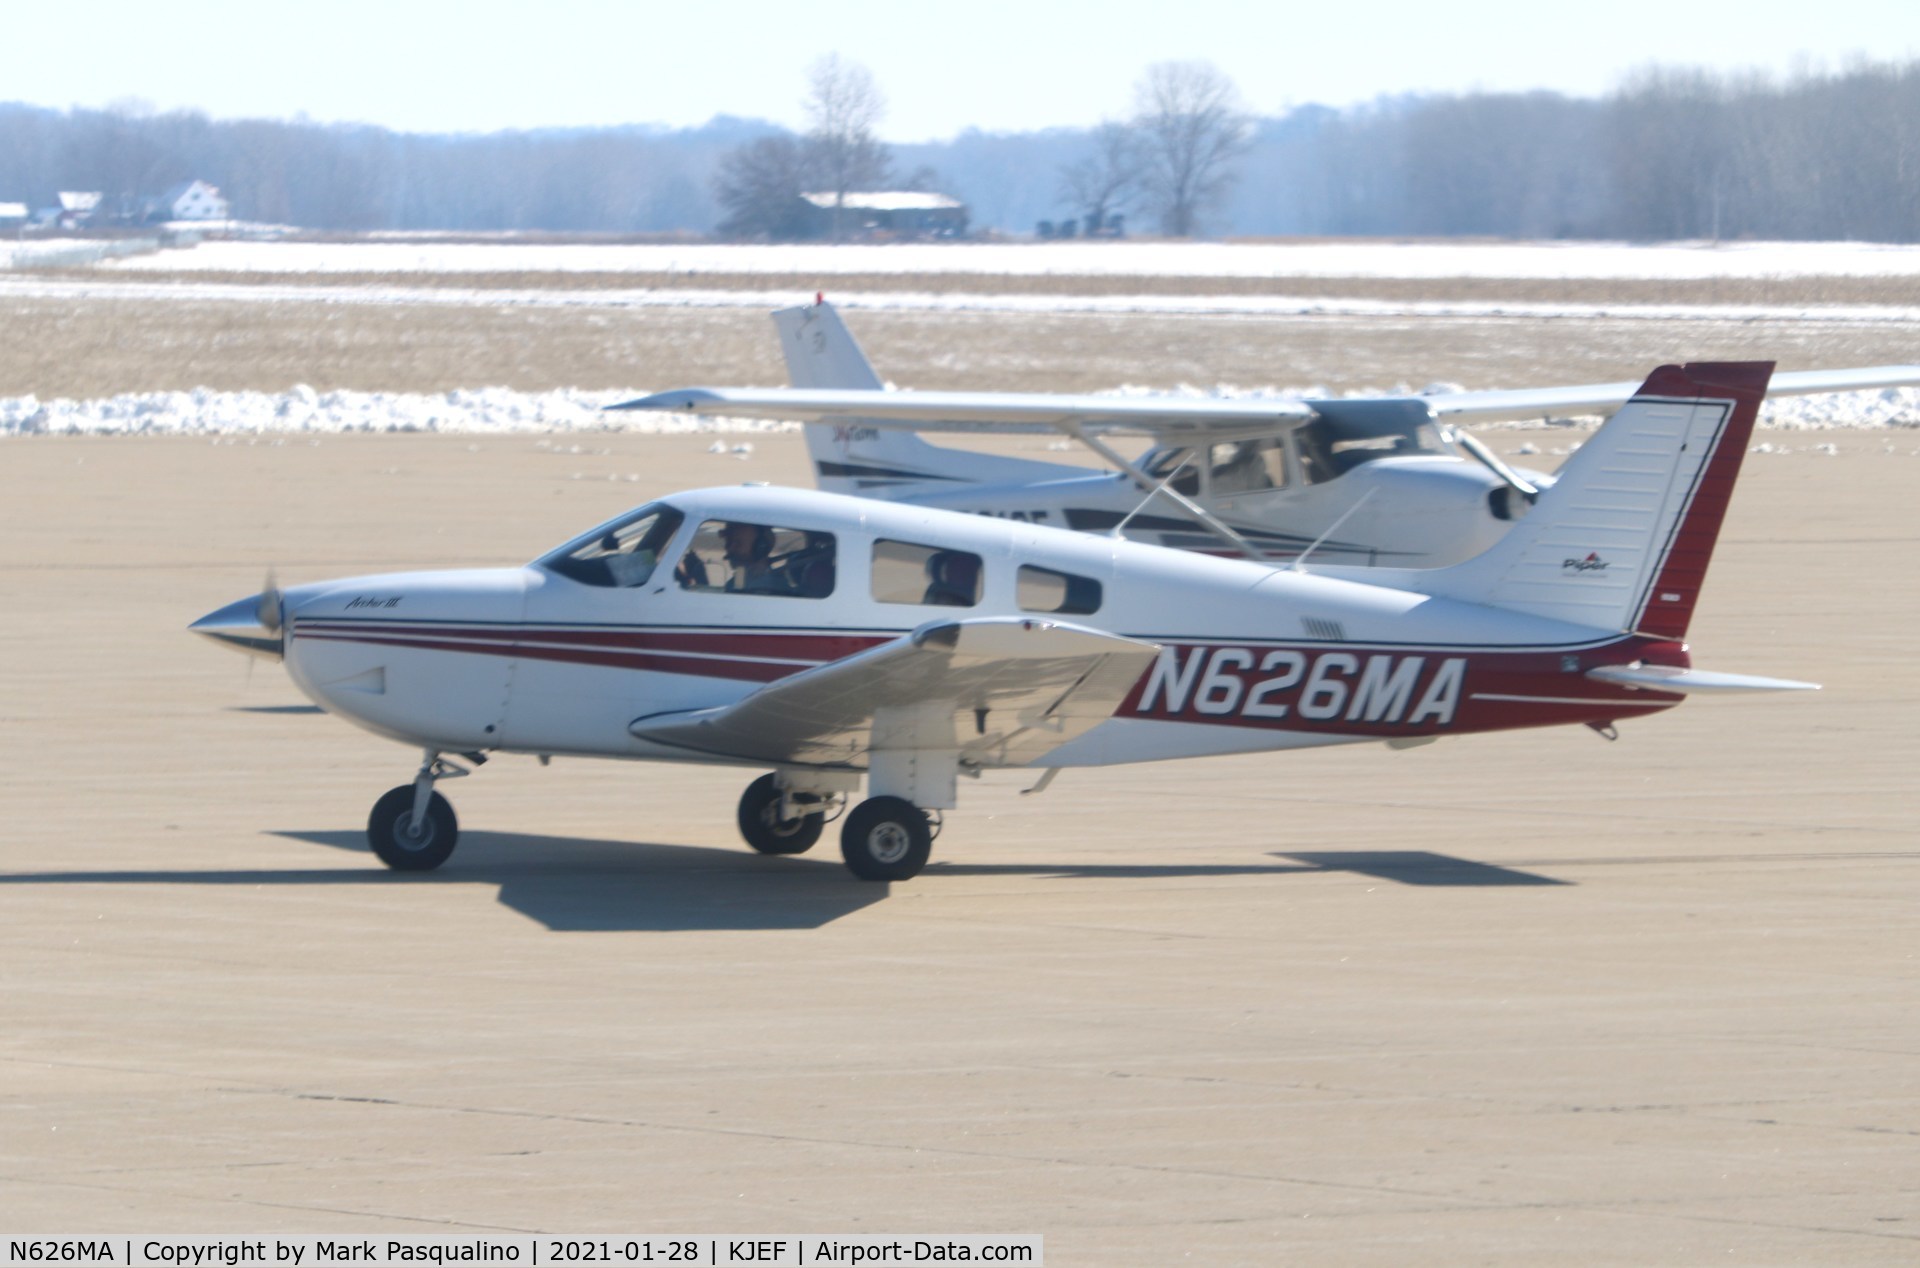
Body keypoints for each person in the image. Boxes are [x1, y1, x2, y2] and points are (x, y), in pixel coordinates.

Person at [721, 522, 781, 594]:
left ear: (760, 548)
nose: (730, 549)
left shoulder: (773, 587)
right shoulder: (736, 582)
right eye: (729, 542)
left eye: (738, 544)